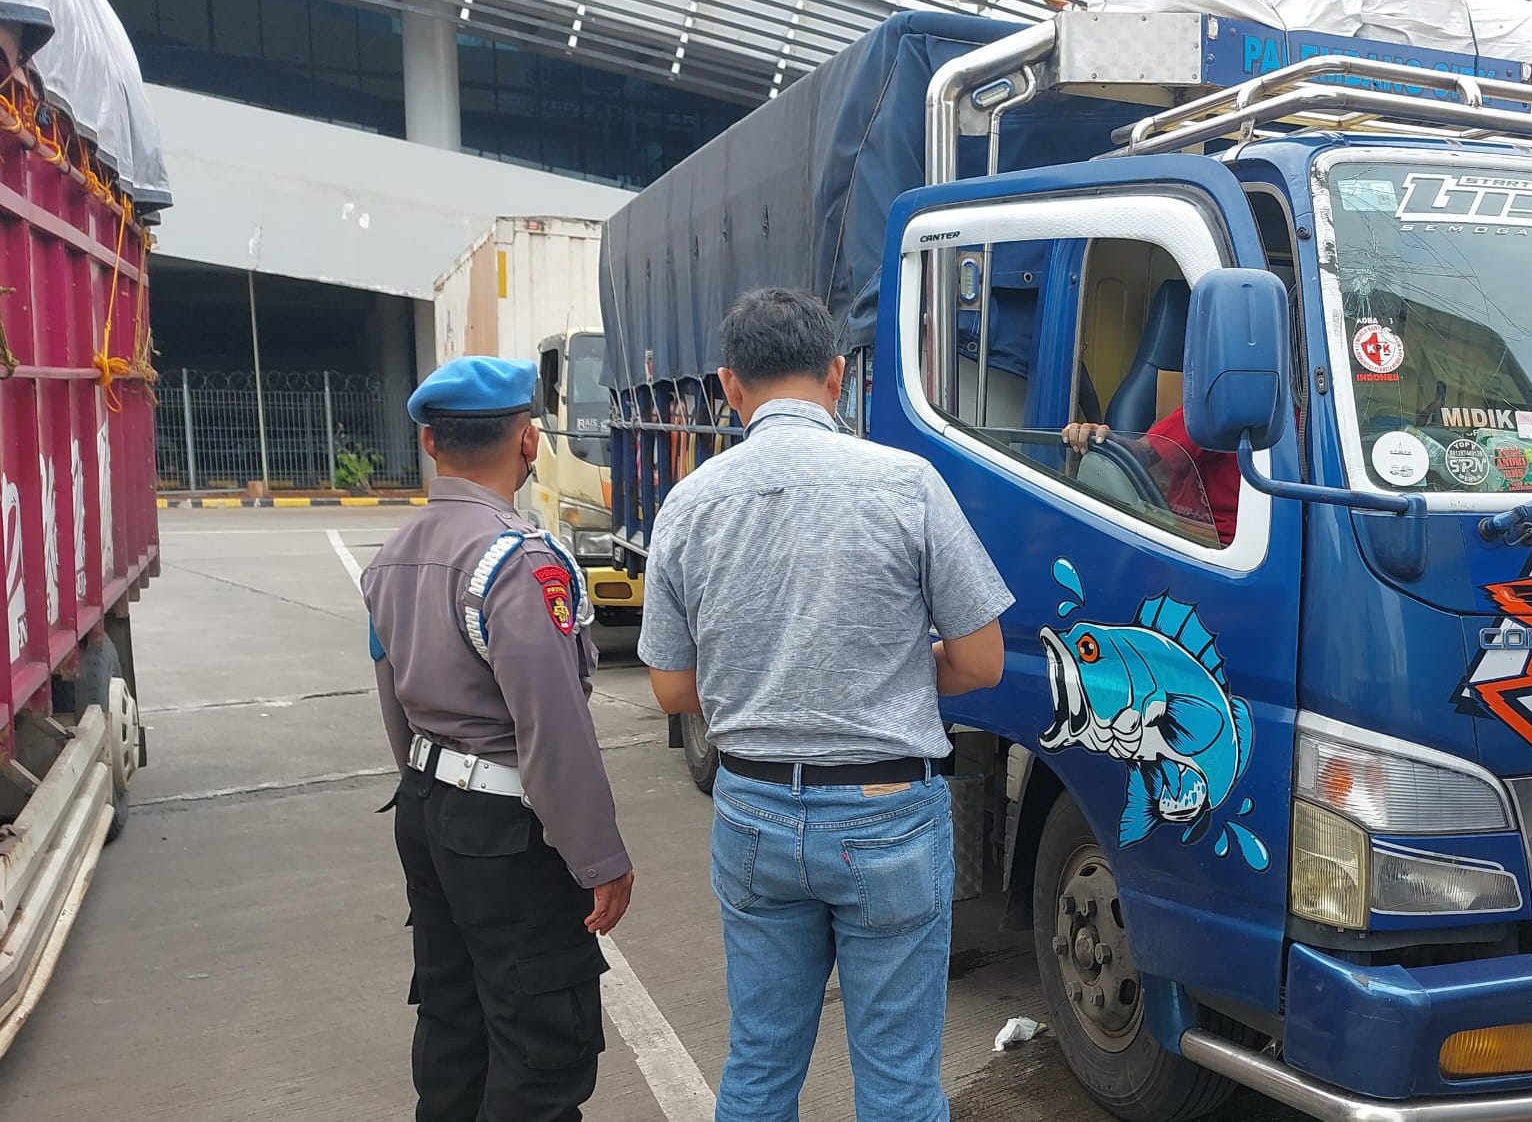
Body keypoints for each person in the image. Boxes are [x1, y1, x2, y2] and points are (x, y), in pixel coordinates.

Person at [638, 288, 1013, 1122]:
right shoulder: (907, 484)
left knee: (759, 1066)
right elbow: (982, 659)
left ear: (730, 386)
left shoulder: (688, 504)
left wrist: (759, 681)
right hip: (887, 817)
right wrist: (892, 671)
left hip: (754, 812)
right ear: (837, 375)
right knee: (898, 1087)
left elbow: (670, 686)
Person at [363, 356, 634, 1122]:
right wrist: (599, 857)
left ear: (429, 442)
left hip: (427, 805)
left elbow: (393, 700)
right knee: (540, 1046)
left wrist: (430, 790)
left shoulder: (391, 556)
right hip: (505, 831)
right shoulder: (518, 561)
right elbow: (552, 726)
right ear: (528, 440)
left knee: (453, 1023)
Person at [1063, 405, 1241, 544]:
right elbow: (1144, 452)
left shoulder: (1231, 405)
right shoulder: (1216, 408)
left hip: (1213, 551)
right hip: (1170, 532)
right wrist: (1103, 441)